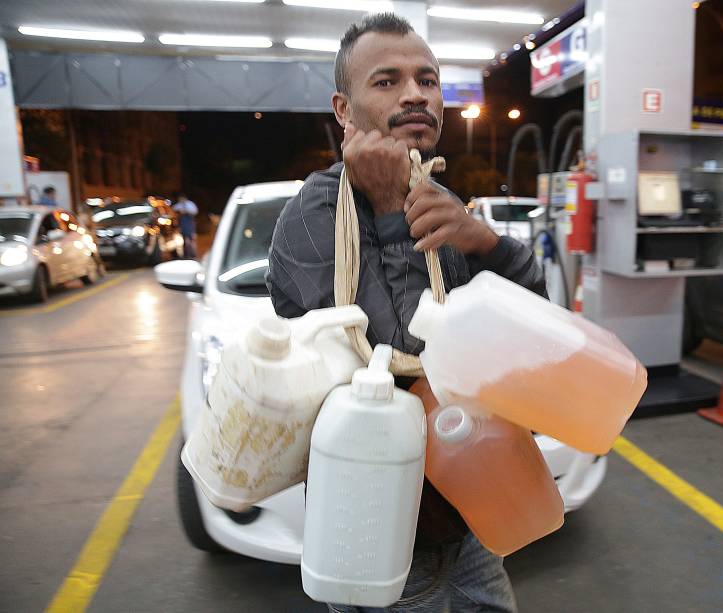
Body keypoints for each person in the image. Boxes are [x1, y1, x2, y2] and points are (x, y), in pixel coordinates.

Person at [267, 13, 545, 613]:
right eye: (387, 81)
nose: (417, 93)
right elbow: (398, 360)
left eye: (428, 79)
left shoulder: (440, 199)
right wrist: (392, 211)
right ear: (344, 110)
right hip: (378, 523)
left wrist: (490, 246)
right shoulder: (314, 219)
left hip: (467, 508)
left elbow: (532, 327)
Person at [172, 193, 199, 259]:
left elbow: (195, 211)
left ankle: (193, 254)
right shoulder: (179, 205)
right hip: (183, 223)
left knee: (191, 239)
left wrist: (187, 211)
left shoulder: (190, 204)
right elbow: (173, 209)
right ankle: (185, 254)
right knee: (184, 239)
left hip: (190, 222)